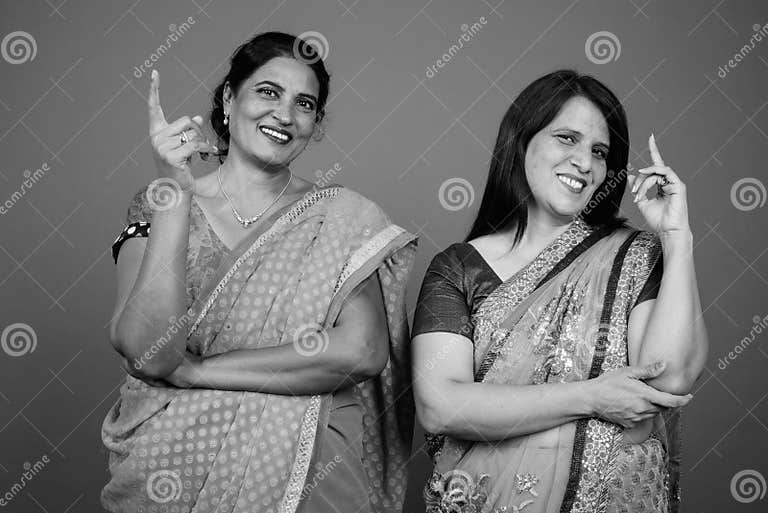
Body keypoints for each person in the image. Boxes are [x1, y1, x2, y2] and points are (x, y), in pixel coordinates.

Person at [101, 31, 416, 513]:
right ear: (229, 97)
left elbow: (363, 351)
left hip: (311, 474)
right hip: (170, 472)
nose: (285, 115)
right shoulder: (159, 204)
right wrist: (176, 193)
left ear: (316, 123)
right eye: (268, 92)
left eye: (304, 103)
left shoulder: (340, 218)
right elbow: (149, 353)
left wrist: (197, 371)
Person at [411, 70, 708, 513]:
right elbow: (441, 405)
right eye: (567, 138)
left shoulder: (633, 256)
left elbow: (667, 377)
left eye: (600, 152)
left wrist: (677, 237)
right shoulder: (458, 269)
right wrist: (591, 397)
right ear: (521, 141)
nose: (585, 163)